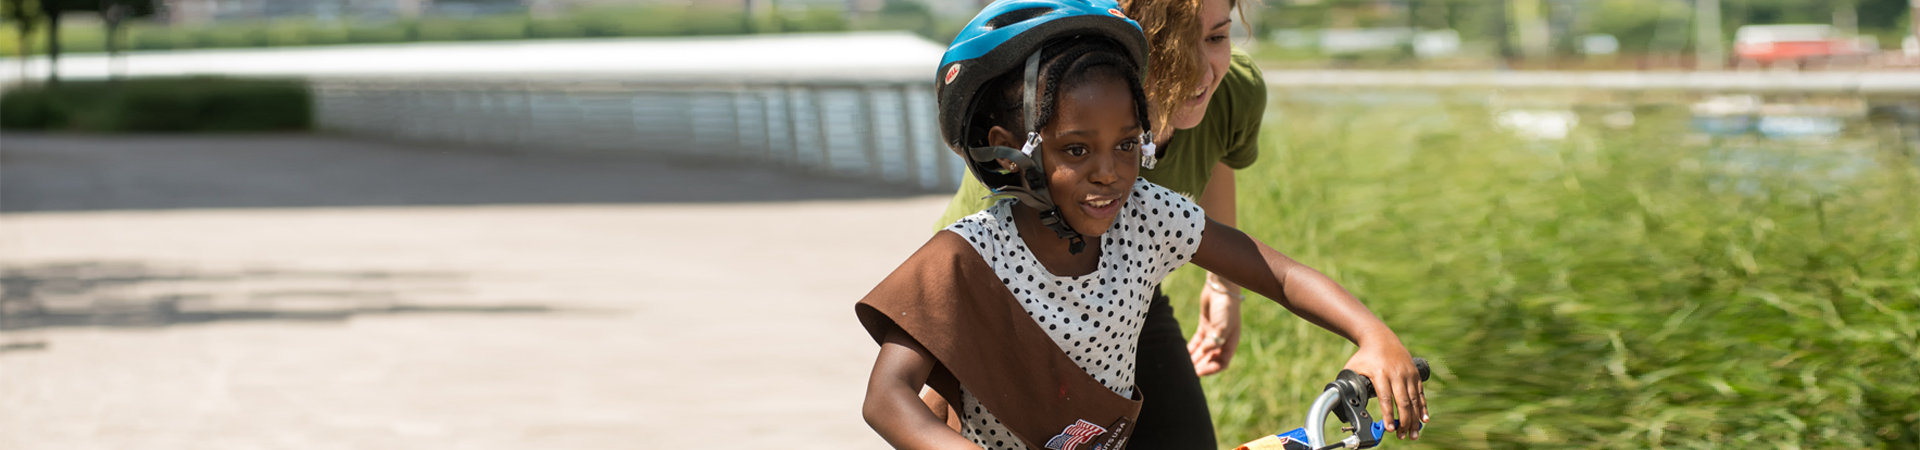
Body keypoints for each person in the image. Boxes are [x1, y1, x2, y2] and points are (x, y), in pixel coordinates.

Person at [860, 2, 1426, 448]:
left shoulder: (1144, 215)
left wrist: (1373, 336)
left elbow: (1281, 275)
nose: (1109, 174)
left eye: (1128, 144)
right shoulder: (965, 256)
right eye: (1076, 149)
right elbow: (887, 398)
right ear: (1013, 154)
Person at [929, 0, 1263, 445]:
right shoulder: (1056, 120)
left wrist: (1224, 287)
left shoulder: (1233, 89)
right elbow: (948, 316)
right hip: (1001, 306)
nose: (1202, 72)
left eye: (1217, 37)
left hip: (1120, 293)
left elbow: (1215, 152)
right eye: (1172, 44)